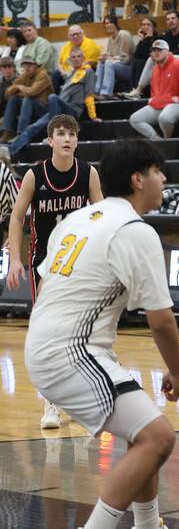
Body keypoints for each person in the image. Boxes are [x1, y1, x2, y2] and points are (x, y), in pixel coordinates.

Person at [25, 139, 179, 529]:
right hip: (71, 352)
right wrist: (177, 372)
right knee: (159, 437)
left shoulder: (77, 219)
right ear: (138, 179)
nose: (164, 180)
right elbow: (161, 321)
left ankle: (149, 524)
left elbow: (44, 288)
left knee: (141, 427)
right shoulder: (135, 230)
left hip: (44, 342)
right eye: (158, 172)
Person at [6, 114, 103, 429]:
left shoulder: (88, 173)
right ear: (50, 140)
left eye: (72, 134)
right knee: (49, 335)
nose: (67, 139)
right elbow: (17, 217)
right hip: (44, 265)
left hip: (79, 264)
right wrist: (16, 259)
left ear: (77, 140)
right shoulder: (36, 175)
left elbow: (101, 217)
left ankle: (78, 400)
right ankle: (50, 403)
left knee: (79, 335)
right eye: (60, 133)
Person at [4, 48, 98, 158]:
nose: (76, 59)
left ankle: (54, 133)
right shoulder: (70, 74)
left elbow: (89, 95)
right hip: (57, 110)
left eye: (79, 56)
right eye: (73, 57)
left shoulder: (88, 71)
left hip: (73, 110)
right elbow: (9, 92)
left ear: (83, 58)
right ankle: (10, 151)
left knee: (52, 97)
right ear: (70, 60)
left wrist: (93, 116)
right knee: (31, 127)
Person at [123, 10, 179, 99]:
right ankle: (138, 90)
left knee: (175, 57)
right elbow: (141, 55)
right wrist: (147, 44)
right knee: (152, 58)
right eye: (168, 19)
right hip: (177, 61)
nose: (171, 21)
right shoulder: (168, 35)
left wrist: (164, 55)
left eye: (173, 18)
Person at [129, 40, 179, 140]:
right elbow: (155, 88)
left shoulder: (178, 64)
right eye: (154, 50)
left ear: (167, 51)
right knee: (134, 119)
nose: (156, 53)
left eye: (159, 50)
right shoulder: (155, 69)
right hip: (161, 104)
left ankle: (167, 140)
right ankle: (157, 139)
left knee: (164, 118)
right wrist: (153, 98)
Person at [0, 56, 54, 146]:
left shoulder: (42, 75)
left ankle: (21, 133)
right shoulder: (25, 75)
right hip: (31, 107)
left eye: (30, 65)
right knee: (14, 98)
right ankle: (8, 131)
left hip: (45, 111)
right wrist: (18, 88)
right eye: (25, 65)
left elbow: (32, 92)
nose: (27, 67)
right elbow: (8, 92)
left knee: (28, 99)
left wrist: (19, 88)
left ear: (35, 66)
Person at [95, 14, 134, 101]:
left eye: (110, 23)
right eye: (106, 23)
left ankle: (105, 93)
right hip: (115, 66)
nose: (107, 25)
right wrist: (104, 57)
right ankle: (96, 91)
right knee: (101, 62)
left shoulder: (123, 35)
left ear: (116, 24)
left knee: (108, 62)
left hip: (127, 68)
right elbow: (109, 56)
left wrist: (109, 59)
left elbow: (126, 59)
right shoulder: (110, 39)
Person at [53, 25, 101, 92]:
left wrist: (73, 70)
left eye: (77, 34)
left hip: (82, 70)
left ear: (82, 33)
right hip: (67, 73)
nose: (75, 36)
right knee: (56, 74)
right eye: (72, 35)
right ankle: (56, 97)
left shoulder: (90, 44)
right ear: (69, 37)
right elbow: (60, 63)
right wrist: (63, 73)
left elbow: (92, 62)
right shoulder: (66, 46)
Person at [130, 18, 157, 91]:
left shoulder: (157, 37)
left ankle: (139, 90)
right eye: (143, 25)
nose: (146, 27)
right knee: (135, 61)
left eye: (148, 25)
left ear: (153, 27)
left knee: (140, 63)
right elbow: (136, 55)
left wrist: (150, 38)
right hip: (143, 62)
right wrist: (142, 39)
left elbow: (148, 54)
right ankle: (134, 89)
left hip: (154, 62)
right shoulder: (144, 39)